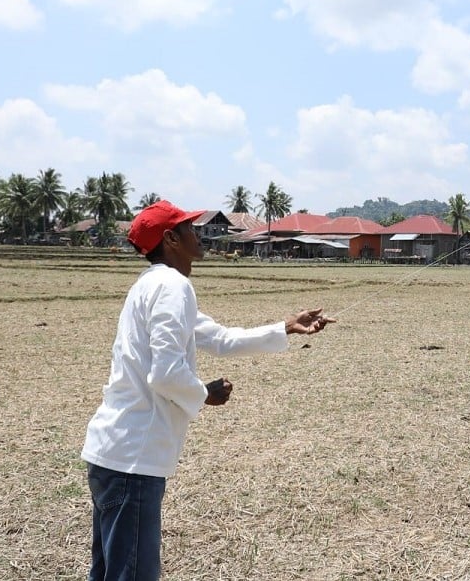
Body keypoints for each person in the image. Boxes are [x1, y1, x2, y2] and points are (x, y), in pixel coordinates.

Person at [82, 200, 336, 581]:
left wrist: (284, 327)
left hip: (113, 455)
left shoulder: (152, 285)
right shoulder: (172, 286)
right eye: (188, 228)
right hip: (134, 460)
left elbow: (219, 338)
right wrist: (205, 394)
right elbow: (165, 373)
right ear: (170, 239)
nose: (196, 233)